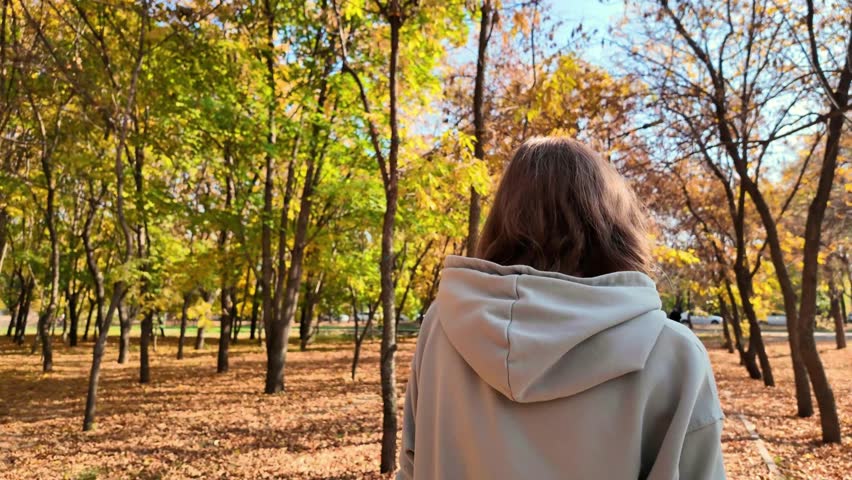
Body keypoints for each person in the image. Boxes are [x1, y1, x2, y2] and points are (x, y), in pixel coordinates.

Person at [398, 137, 725, 479]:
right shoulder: (673, 352)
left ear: (503, 217)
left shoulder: (444, 325)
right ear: (613, 221)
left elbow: (413, 462)